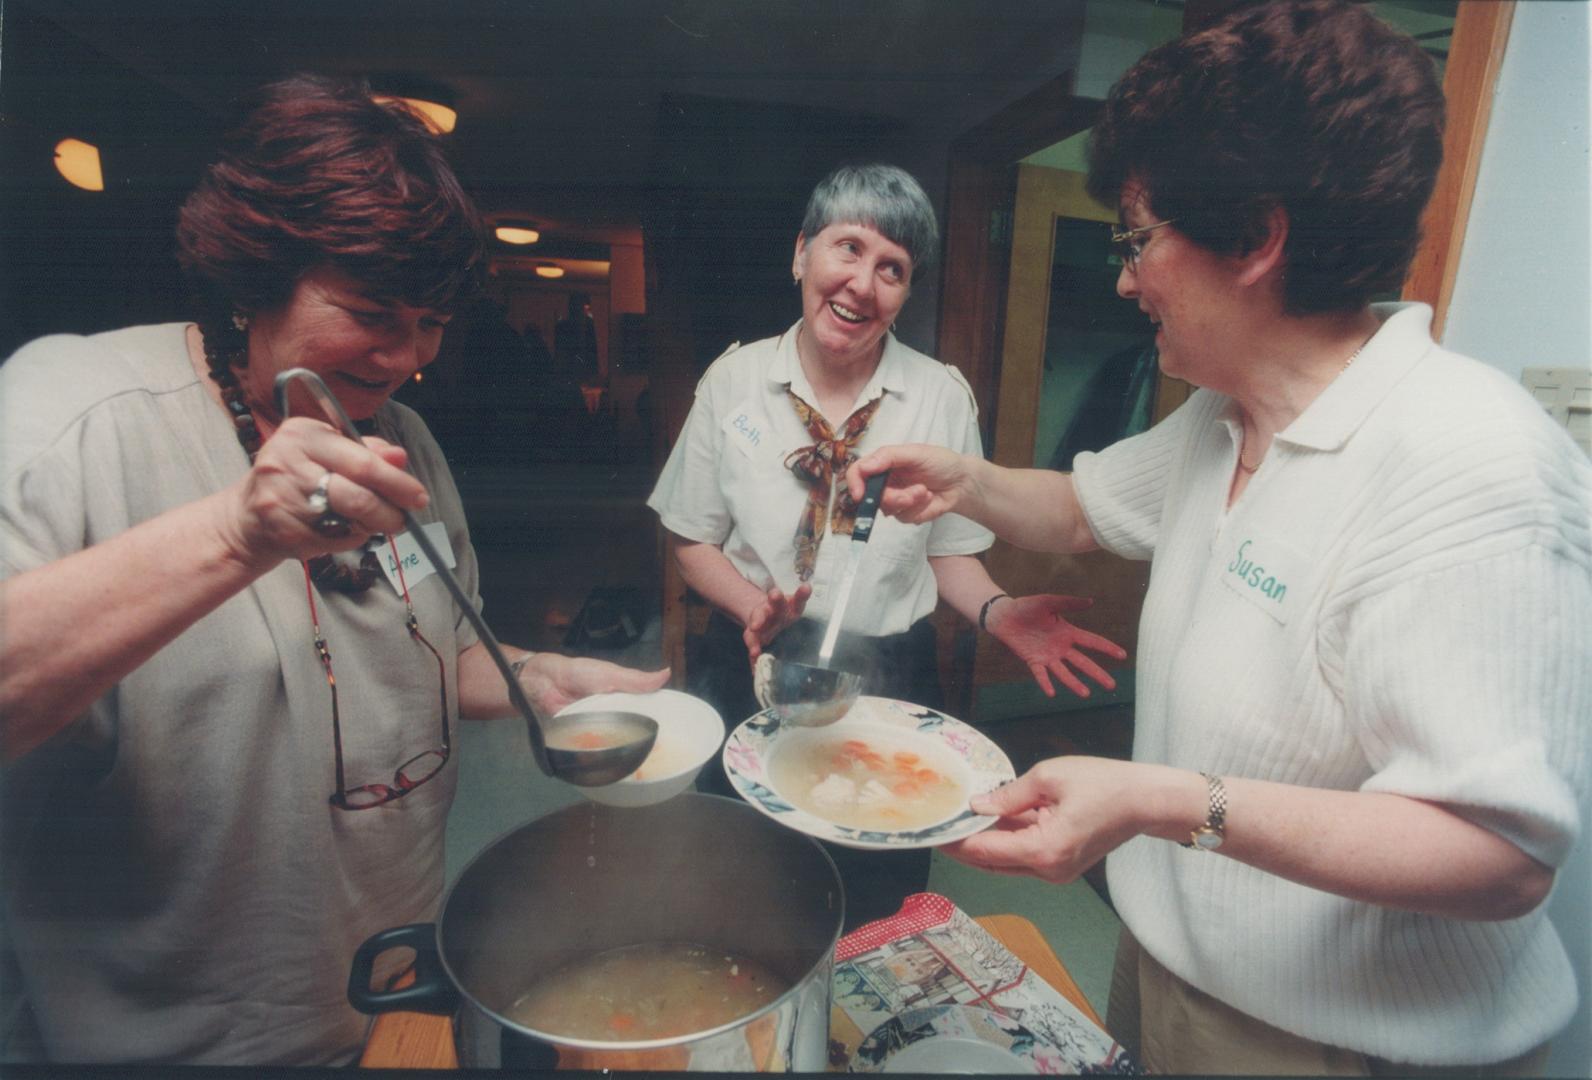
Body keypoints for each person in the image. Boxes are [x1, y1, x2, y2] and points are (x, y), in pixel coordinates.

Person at [849, 4, 1590, 1074]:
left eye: (1137, 240)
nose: (1123, 277)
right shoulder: (1222, 414)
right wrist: (960, 476)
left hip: (1335, 1042)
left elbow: (1493, 854)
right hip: (1165, 969)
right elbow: (1077, 507)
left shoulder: (1471, 464)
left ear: (1254, 236)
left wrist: (1157, 798)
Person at [0, 74, 666, 1067]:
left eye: (432, 323)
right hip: (158, 1036)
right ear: (254, 274)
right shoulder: (67, 415)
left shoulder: (404, 443)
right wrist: (240, 530)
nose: (405, 357)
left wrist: (541, 678)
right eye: (370, 311)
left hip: (382, 993)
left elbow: (432, 645)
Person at [648, 163, 1126, 929]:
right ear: (801, 253)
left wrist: (997, 612)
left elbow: (949, 552)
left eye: (892, 268)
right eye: (847, 248)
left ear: (906, 293)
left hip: (892, 676)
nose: (862, 284)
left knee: (877, 893)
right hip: (754, 660)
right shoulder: (731, 382)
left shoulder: (940, 394)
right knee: (741, 882)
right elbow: (690, 536)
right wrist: (756, 608)